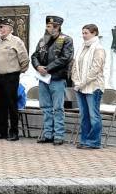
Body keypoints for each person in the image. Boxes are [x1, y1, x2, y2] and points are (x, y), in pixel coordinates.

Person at [31, 15, 73, 145]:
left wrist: (48, 68)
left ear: (57, 27)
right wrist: (38, 66)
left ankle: (59, 135)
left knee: (58, 108)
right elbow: (34, 56)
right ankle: (48, 134)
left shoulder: (66, 40)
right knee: (46, 107)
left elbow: (65, 58)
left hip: (57, 78)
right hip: (43, 79)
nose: (47, 28)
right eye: (47, 26)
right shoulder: (43, 40)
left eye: (50, 26)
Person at [0, 17, 29, 141]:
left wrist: (17, 72)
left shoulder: (16, 41)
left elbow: (24, 59)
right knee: (0, 105)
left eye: (3, 27)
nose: (0, 29)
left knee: (12, 105)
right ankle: (2, 132)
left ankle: (14, 132)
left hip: (11, 77)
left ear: (10, 28)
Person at [71, 24, 106, 149]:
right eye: (83, 33)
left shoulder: (98, 48)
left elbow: (95, 69)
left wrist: (83, 83)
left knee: (93, 115)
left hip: (93, 87)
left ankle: (94, 142)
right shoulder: (81, 48)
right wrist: (76, 81)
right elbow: (75, 66)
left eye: (86, 33)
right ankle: (85, 140)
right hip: (80, 87)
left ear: (94, 33)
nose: (84, 35)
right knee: (84, 115)